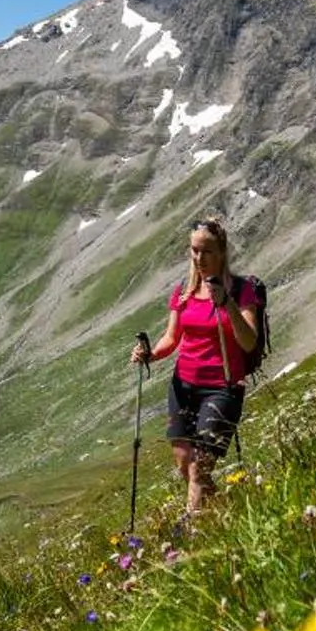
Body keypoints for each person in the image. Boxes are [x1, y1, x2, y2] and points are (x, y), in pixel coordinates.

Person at [131, 216, 262, 516]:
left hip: (223, 386)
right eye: (194, 250)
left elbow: (248, 342)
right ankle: (229, 513)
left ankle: (189, 530)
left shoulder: (242, 291)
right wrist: (149, 355)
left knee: (200, 465)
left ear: (222, 253)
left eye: (207, 252)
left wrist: (227, 303)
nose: (199, 258)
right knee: (183, 463)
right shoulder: (183, 291)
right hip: (183, 385)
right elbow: (172, 337)